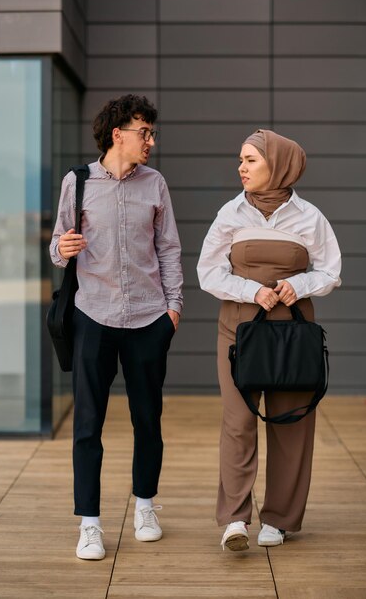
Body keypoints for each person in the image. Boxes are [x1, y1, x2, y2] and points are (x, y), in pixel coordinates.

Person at [50, 94, 183, 560]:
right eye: (144, 131)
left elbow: (168, 249)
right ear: (117, 134)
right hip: (93, 316)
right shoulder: (79, 182)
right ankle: (90, 524)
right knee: (88, 423)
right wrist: (62, 248)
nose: (151, 140)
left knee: (148, 420)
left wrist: (174, 310)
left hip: (149, 319)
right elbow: (57, 244)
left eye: (152, 132)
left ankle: (144, 506)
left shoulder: (155, 184)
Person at [197, 129, 341, 551]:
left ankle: (278, 520)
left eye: (250, 160)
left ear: (278, 165)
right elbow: (208, 273)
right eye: (240, 160)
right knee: (238, 423)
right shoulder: (230, 214)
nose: (241, 168)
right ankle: (235, 521)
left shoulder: (310, 217)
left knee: (292, 423)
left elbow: (331, 271)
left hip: (294, 334)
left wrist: (301, 284)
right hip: (238, 332)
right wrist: (250, 290)